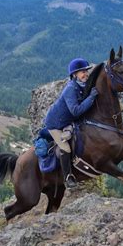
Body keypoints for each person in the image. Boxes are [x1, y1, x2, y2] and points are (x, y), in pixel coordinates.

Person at [44, 58, 99, 188]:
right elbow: (75, 111)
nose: (85, 74)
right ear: (75, 75)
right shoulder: (70, 88)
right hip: (55, 124)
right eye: (81, 72)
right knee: (66, 148)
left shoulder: (83, 84)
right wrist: (91, 97)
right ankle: (68, 177)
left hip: (68, 121)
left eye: (86, 71)